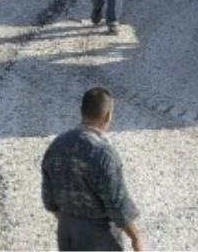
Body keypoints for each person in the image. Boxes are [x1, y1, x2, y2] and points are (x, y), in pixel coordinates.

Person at [42, 87, 144, 252]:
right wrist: (136, 237)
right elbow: (118, 207)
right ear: (108, 116)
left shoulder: (56, 146)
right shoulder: (104, 154)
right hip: (99, 239)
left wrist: (71, 222)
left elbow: (49, 200)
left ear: (81, 111)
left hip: (66, 233)